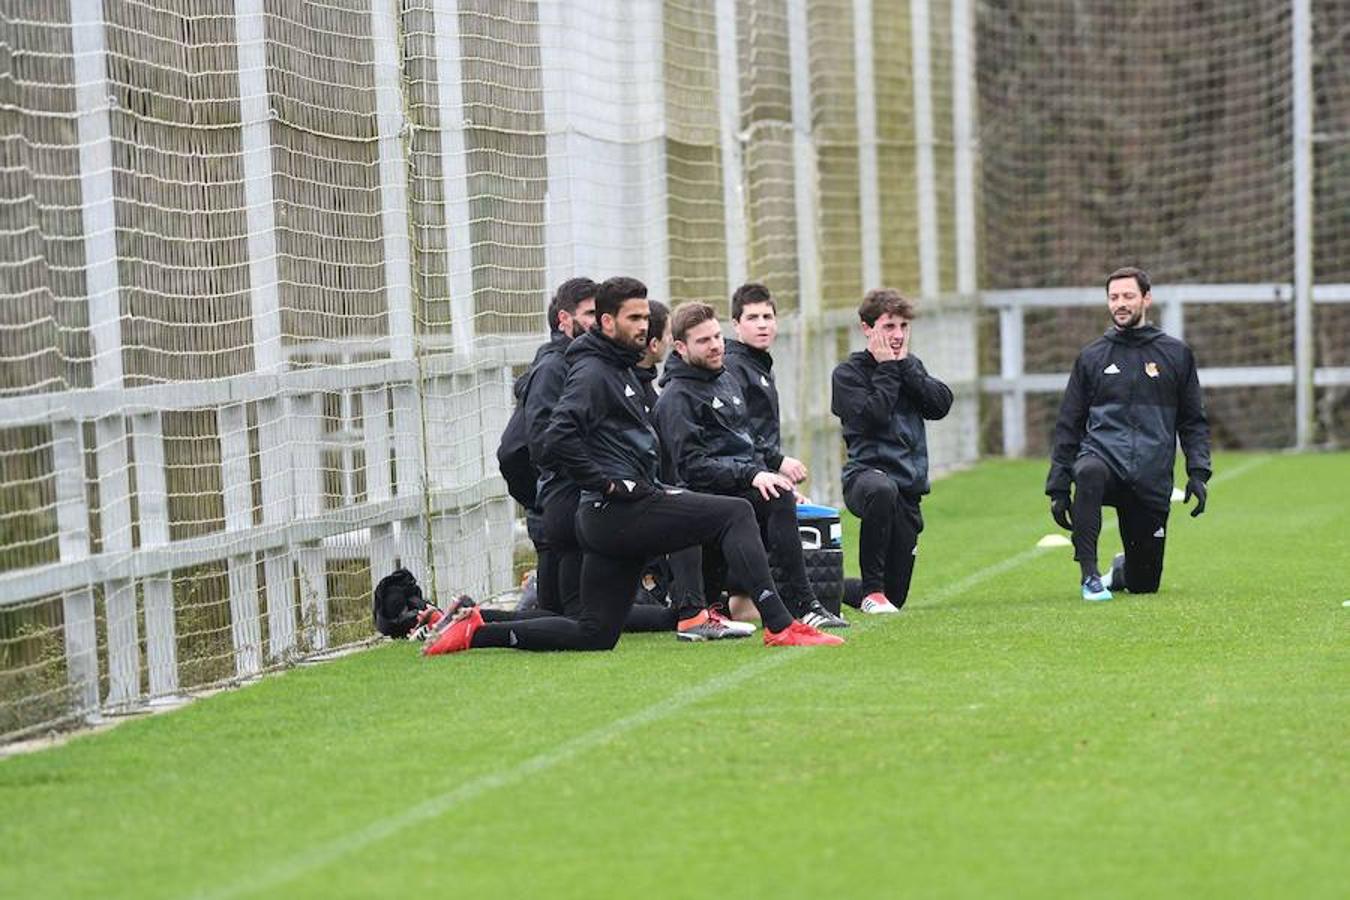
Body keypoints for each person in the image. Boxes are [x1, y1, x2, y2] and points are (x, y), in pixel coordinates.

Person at [425, 277, 841, 654]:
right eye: (633, 318)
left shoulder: (617, 366)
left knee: (595, 633)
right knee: (735, 511)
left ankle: (477, 629)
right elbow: (554, 439)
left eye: (645, 317)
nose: (643, 326)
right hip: (615, 510)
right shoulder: (592, 372)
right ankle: (780, 623)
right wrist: (607, 483)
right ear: (608, 322)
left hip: (610, 518)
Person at [654, 301, 848, 630]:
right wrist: (753, 474)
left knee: (780, 495)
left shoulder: (725, 379)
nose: (716, 345)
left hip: (733, 488)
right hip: (694, 501)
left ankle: (806, 604)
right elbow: (692, 469)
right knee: (741, 507)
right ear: (680, 347)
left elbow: (744, 441)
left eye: (717, 336)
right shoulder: (676, 397)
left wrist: (769, 474)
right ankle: (733, 606)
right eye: (704, 341)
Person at [1045, 266, 1211, 601]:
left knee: (1144, 584)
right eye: (1114, 297)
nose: (1120, 303)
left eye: (1128, 296)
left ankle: (1122, 570)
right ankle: (1089, 575)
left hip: (1151, 475)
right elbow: (1069, 424)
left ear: (1146, 299)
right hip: (1104, 460)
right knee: (1088, 471)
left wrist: (1198, 472)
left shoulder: (1176, 354)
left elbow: (1192, 420)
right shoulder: (1092, 357)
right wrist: (1059, 486)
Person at [831, 288, 953, 614]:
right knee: (881, 488)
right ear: (866, 328)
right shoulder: (848, 374)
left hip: (908, 491)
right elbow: (872, 417)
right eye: (889, 327)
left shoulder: (910, 367)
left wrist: (904, 368)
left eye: (903, 327)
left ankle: (821, 585)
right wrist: (887, 369)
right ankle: (872, 591)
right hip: (865, 480)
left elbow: (940, 404)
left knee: (895, 596)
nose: (897, 335)